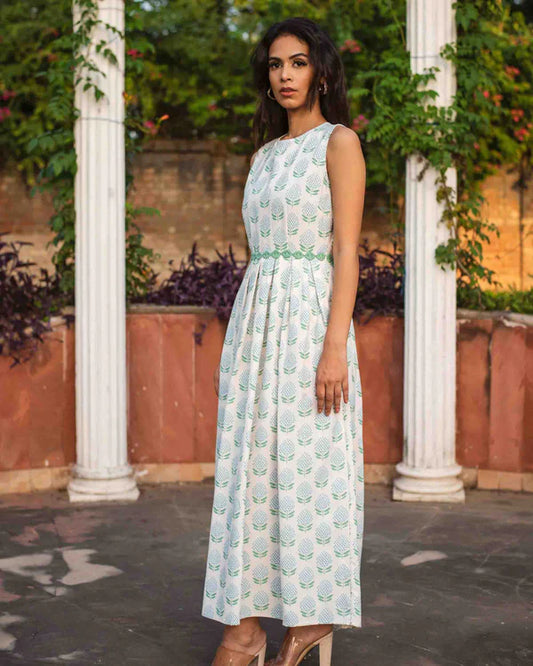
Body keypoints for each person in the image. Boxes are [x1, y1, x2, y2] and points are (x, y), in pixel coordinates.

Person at [201, 16, 366, 666]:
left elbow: (346, 251)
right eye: (275, 65)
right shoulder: (263, 156)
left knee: (311, 469)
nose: (285, 75)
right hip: (257, 322)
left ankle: (311, 617)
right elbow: (260, 250)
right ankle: (244, 626)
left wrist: (333, 347)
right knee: (248, 475)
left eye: (297, 62)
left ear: (320, 72)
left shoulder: (339, 142)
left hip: (310, 322)